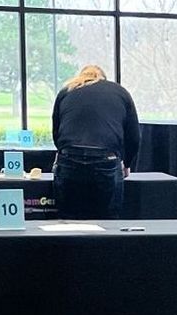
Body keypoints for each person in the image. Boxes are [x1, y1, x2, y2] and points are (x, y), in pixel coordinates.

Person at [51, 65, 140, 219]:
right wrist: (127, 164)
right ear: (103, 78)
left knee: (68, 218)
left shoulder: (67, 90)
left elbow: (56, 131)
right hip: (106, 159)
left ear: (81, 76)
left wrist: (63, 153)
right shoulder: (120, 92)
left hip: (70, 157)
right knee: (108, 220)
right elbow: (134, 136)